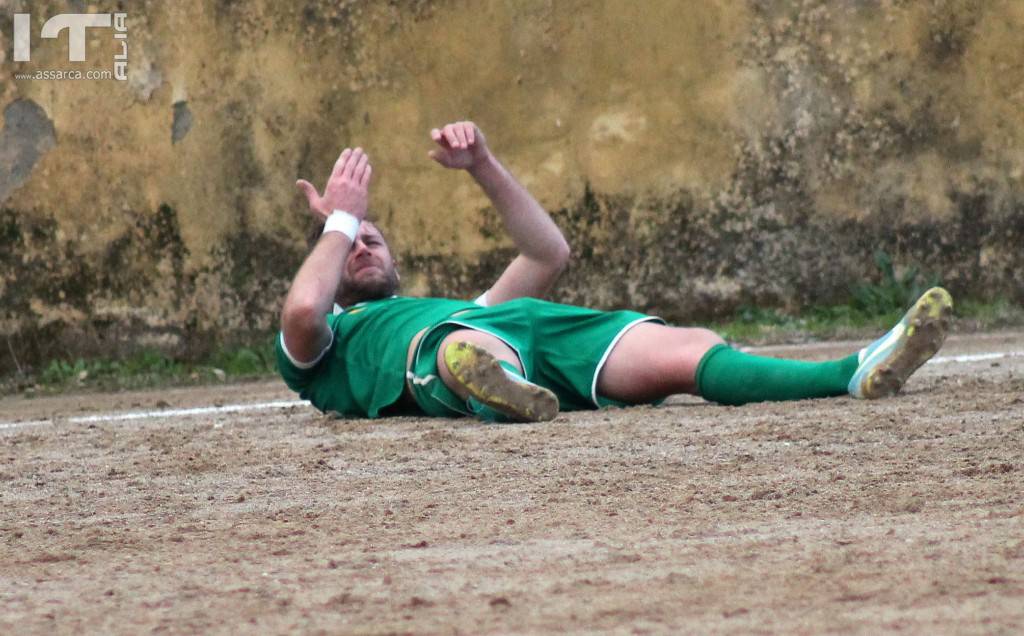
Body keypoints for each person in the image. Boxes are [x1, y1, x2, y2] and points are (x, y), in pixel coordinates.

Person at [277, 121, 953, 422]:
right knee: (462, 347)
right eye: (350, 245)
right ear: (326, 262)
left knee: (689, 348)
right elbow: (304, 310)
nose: (363, 246)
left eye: (373, 237)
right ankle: (493, 383)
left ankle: (851, 372)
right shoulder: (327, 346)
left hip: (518, 331)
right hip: (447, 350)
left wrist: (483, 163)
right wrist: (338, 220)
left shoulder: (457, 302)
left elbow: (547, 254)